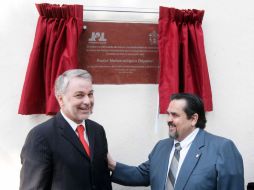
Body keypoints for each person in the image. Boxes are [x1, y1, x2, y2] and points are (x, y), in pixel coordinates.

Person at [108, 93, 244, 190]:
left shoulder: (222, 148)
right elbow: (143, 175)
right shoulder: (161, 147)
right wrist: (111, 164)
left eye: (175, 115)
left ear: (193, 119)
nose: (168, 119)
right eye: (168, 114)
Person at [20, 69, 112, 190]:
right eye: (79, 95)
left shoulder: (97, 131)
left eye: (90, 94)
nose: (87, 101)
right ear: (61, 99)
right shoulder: (40, 136)